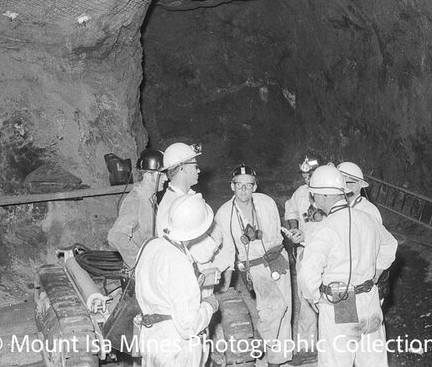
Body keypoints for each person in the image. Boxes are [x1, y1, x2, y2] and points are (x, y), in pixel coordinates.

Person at [298, 165, 398, 367]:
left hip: (342, 302)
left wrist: (317, 300)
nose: (313, 199)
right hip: (370, 299)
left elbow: (307, 275)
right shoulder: (368, 219)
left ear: (323, 195)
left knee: (336, 361)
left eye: (314, 194)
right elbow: (390, 245)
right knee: (373, 363)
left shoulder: (324, 229)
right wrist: (376, 273)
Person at [215, 165, 292, 367]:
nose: (243, 190)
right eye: (239, 185)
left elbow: (276, 233)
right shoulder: (224, 213)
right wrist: (226, 280)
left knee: (286, 312)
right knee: (274, 307)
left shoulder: (267, 203)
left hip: (277, 258)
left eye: (248, 185)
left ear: (255, 186)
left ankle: (275, 361)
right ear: (232, 186)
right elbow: (228, 250)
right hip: (255, 264)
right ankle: (261, 337)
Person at [135, 193, 221, 367]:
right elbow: (188, 326)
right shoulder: (178, 259)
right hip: (175, 346)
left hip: (150, 337)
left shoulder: (150, 245)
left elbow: (156, 288)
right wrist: (209, 305)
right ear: (200, 229)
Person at [157, 141, 225, 268]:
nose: (199, 170)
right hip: (191, 277)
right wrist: (214, 239)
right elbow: (203, 253)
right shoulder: (173, 206)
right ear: (183, 168)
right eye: (195, 166)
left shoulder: (188, 198)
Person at [283, 152, 323, 363]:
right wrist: (293, 231)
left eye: (312, 174)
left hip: (328, 255)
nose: (308, 179)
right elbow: (290, 210)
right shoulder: (300, 193)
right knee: (306, 301)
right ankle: (308, 349)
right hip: (305, 252)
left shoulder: (331, 194)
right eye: (305, 175)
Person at [107, 148, 165, 265]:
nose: (166, 178)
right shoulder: (135, 200)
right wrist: (140, 263)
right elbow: (116, 236)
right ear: (148, 176)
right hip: (141, 273)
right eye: (161, 174)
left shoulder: (150, 199)